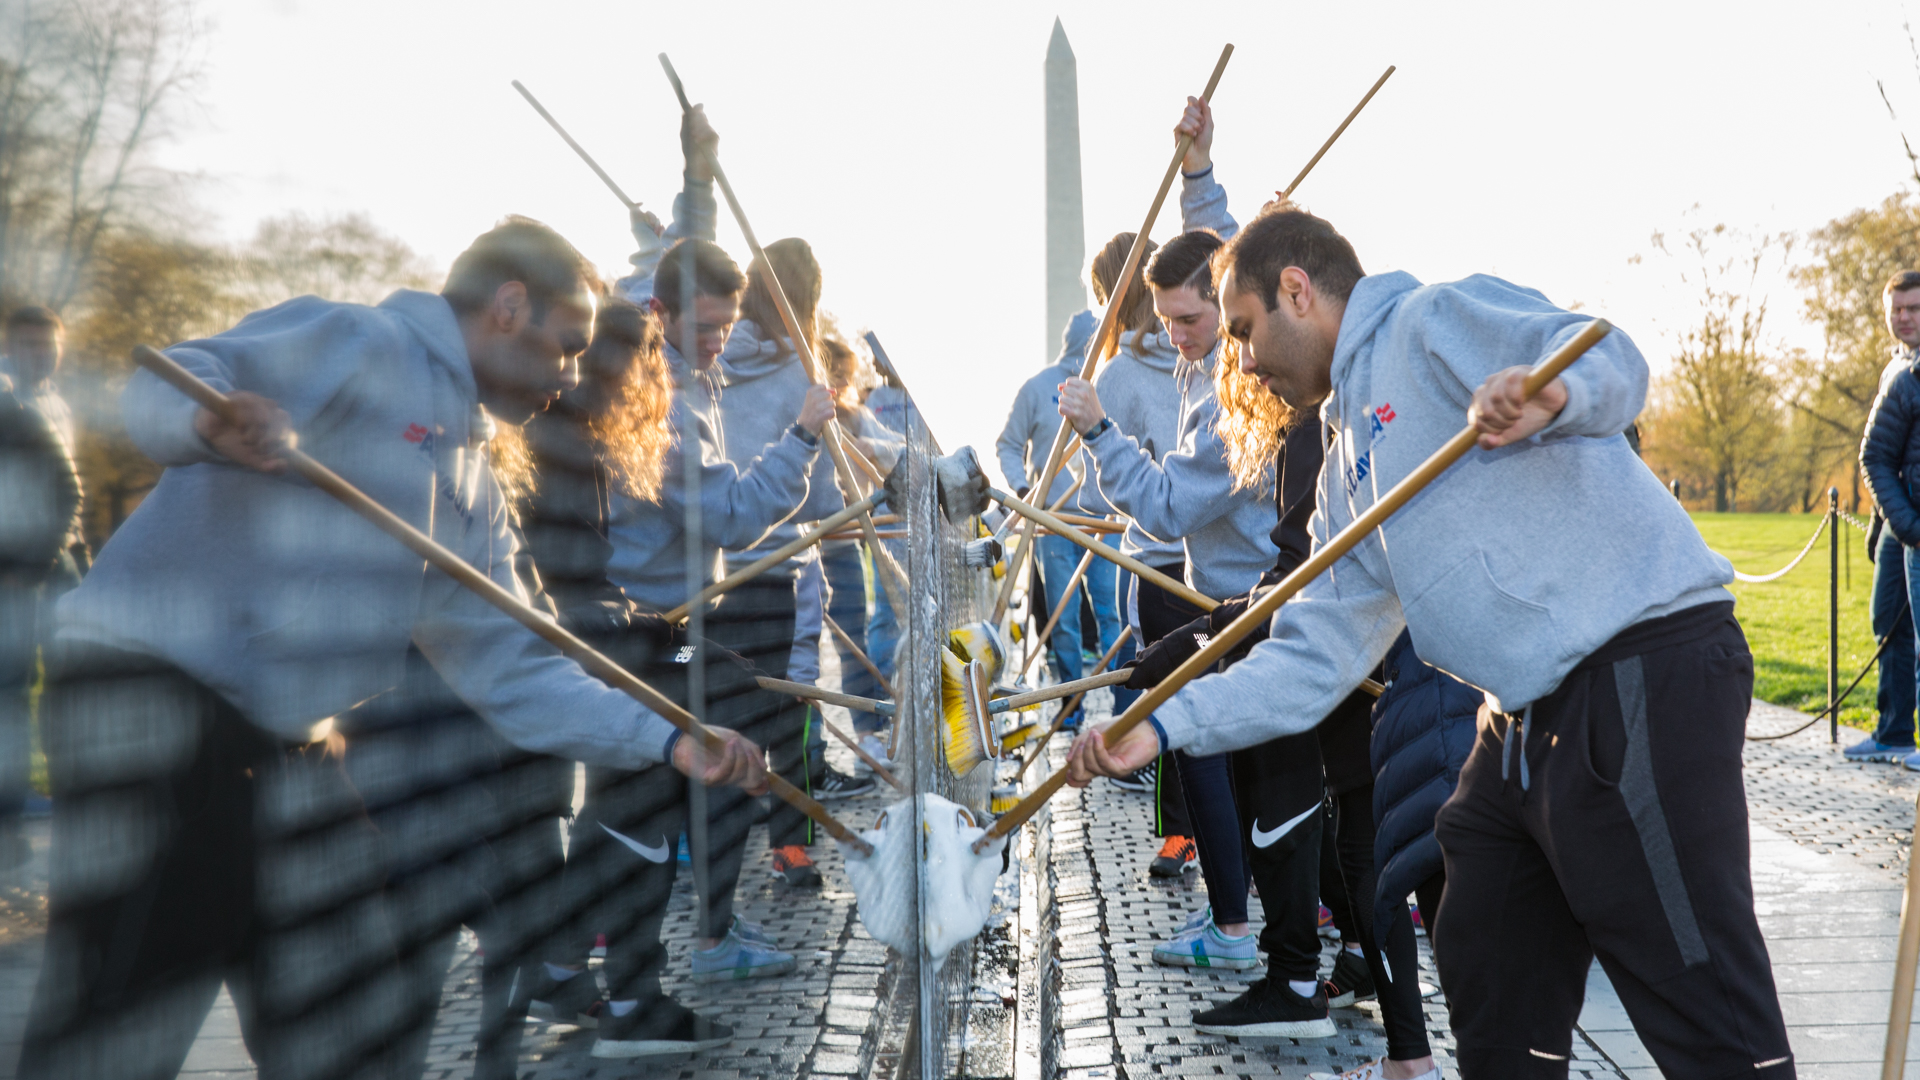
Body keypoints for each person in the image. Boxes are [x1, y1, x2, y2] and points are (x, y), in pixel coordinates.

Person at [22, 216, 770, 1080]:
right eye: (567, 347)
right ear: (509, 306)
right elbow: (167, 378)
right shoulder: (360, 340)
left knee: (361, 1020)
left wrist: (670, 740)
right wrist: (208, 422)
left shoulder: (473, 488)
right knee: (123, 1016)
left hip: (290, 744)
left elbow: (518, 670)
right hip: (145, 698)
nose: (571, 376)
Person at [1068, 206, 1795, 1079]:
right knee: (1487, 954)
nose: (1244, 360)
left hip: (1637, 667)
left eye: (1246, 329)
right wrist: (1163, 725)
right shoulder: (1341, 460)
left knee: (1702, 1000)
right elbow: (1312, 655)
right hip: (1519, 714)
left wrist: (1555, 394)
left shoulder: (1429, 320)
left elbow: (1610, 355)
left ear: (1296, 291)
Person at [713, 236, 878, 879]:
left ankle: (707, 853)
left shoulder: (706, 364)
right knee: (791, 705)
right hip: (777, 570)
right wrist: (855, 503)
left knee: (721, 713)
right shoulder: (799, 376)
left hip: (712, 573)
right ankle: (790, 843)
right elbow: (821, 495)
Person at [0, 343, 82, 872]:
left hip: (16, 586)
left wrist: (27, 568)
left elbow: (68, 492)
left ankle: (7, 826)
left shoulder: (17, 417)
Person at [1848, 270, 1920, 763]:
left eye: (1913, 308)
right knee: (1887, 621)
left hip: (1912, 523)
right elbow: (1878, 456)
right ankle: (1893, 732)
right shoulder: (1898, 368)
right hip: (1902, 523)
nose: (1904, 317)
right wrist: (1892, 524)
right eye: (1897, 309)